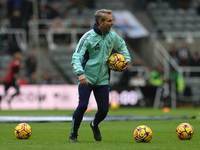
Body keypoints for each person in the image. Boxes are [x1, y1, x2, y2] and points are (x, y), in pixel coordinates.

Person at [69, 9, 131, 142]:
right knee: (83, 106)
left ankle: (94, 124)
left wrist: (127, 59)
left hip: (103, 79)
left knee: (103, 110)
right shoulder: (87, 37)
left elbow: (122, 46)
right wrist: (80, 73)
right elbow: (76, 57)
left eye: (113, 20)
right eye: (110, 21)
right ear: (100, 22)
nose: (113, 23)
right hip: (87, 78)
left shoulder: (112, 36)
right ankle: (73, 135)